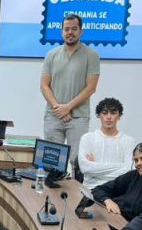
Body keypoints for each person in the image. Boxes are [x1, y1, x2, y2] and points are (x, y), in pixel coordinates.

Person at [40, 13, 101, 165]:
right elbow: (44, 85)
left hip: (78, 117)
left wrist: (67, 107)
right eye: (66, 29)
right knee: (51, 162)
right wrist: (58, 108)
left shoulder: (91, 55)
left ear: (81, 31)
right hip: (54, 115)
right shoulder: (51, 55)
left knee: (76, 162)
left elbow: (91, 88)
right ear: (62, 32)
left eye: (74, 29)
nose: (70, 32)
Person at [89, 141, 142, 221]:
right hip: (120, 223)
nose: (138, 163)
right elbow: (98, 190)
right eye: (136, 160)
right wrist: (107, 201)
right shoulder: (133, 176)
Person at [77, 97, 136, 193]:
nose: (108, 117)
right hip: (91, 189)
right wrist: (121, 165)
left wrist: (95, 167)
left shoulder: (129, 141)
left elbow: (129, 170)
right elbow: (85, 168)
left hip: (119, 190)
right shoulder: (87, 138)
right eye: (104, 113)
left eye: (113, 113)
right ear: (98, 115)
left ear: (119, 116)